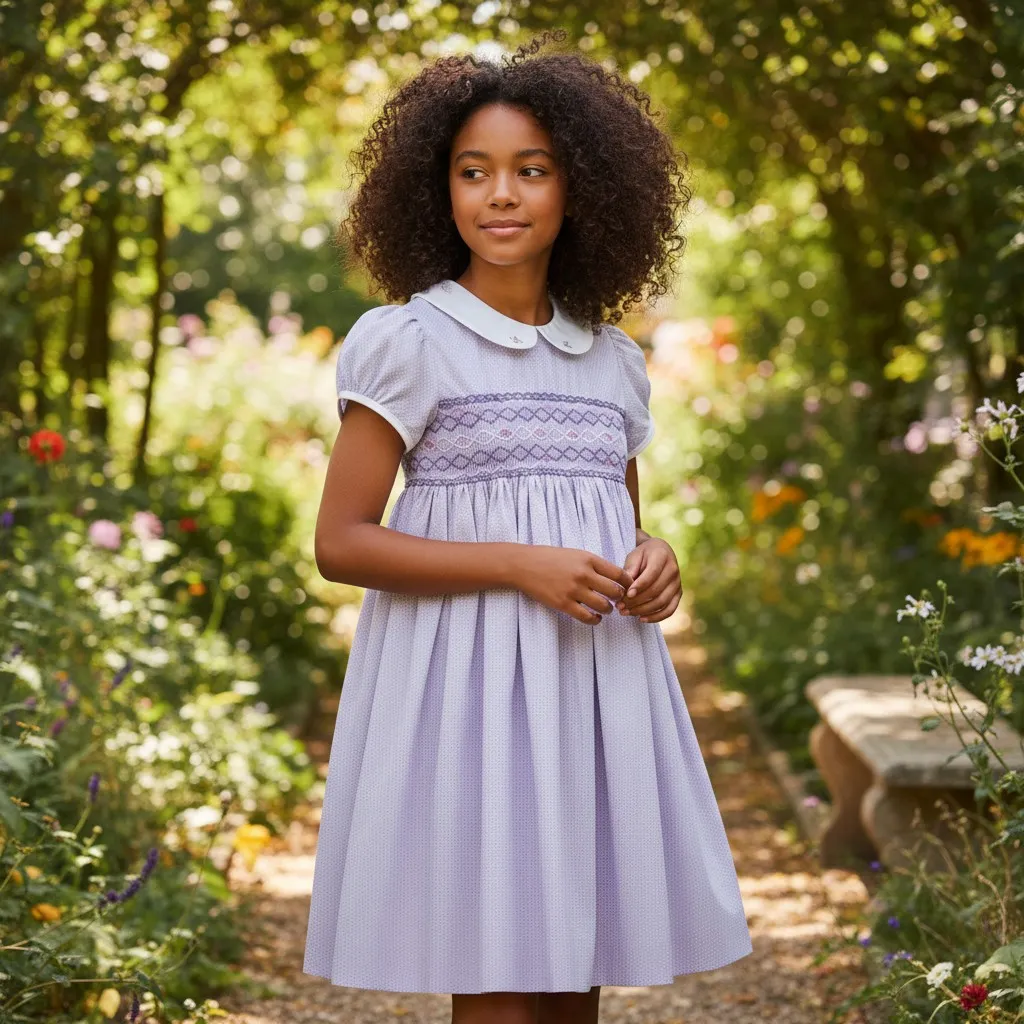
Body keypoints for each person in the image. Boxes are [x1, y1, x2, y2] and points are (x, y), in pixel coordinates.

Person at [302, 28, 752, 1024]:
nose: (499, 195)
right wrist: (515, 564)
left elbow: (618, 528)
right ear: (439, 190)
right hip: (468, 693)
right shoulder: (409, 342)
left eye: (529, 170)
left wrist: (656, 561)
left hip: (587, 692)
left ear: (578, 187)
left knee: (573, 966)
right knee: (499, 971)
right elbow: (341, 542)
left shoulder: (609, 362)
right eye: (474, 171)